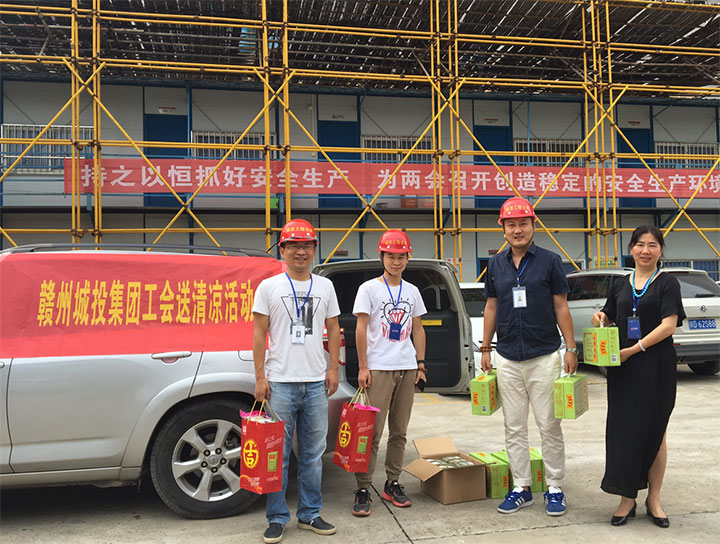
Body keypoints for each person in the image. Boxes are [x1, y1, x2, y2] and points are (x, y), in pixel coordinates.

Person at [480, 196, 578, 517]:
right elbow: (491, 307)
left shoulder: (550, 261)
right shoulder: (495, 264)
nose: (517, 230)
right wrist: (485, 348)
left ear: (533, 225)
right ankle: (521, 486)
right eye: (511, 225)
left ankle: (554, 486)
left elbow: (561, 305)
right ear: (503, 229)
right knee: (514, 426)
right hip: (507, 357)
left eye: (523, 223)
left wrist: (570, 348)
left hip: (544, 356)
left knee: (549, 424)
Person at [252, 218, 341, 544]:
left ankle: (309, 513)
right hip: (280, 383)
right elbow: (259, 333)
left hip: (316, 383)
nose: (300, 251)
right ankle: (276, 517)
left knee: (313, 455)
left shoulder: (325, 287)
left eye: (306, 245)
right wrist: (260, 377)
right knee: (276, 454)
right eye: (294, 246)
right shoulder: (269, 287)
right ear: (283, 250)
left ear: (314, 249)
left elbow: (333, 329)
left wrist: (333, 370)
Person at [591, 225, 685, 529]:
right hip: (623, 369)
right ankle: (626, 498)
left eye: (653, 245)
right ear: (631, 248)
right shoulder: (620, 283)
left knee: (656, 433)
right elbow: (610, 313)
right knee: (624, 433)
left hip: (655, 366)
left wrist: (634, 349)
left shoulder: (667, 283)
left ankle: (653, 499)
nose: (646, 251)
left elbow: (668, 325)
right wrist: (601, 316)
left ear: (660, 250)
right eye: (640, 244)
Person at [350, 230, 427, 517]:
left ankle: (392, 482)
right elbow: (360, 328)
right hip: (379, 367)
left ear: (408, 258)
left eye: (401, 256)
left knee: (399, 431)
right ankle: (362, 487)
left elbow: (418, 329)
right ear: (381, 257)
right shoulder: (368, 289)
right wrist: (363, 366)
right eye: (391, 256)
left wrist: (420, 365)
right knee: (371, 432)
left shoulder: (412, 291)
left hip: (406, 367)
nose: (396, 262)